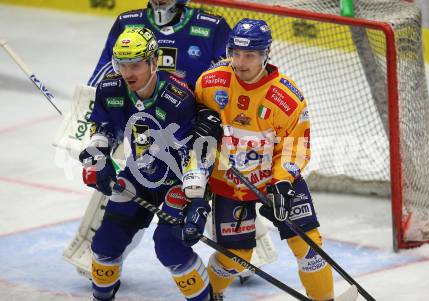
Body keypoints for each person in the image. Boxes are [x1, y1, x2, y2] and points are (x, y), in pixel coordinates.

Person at [190, 18, 335, 300]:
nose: (241, 63)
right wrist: (198, 121)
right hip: (229, 184)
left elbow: (296, 146)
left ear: (265, 54)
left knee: (309, 246)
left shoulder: (286, 97)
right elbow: (190, 129)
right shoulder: (210, 83)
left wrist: (282, 182)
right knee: (235, 257)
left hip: (275, 181)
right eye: (236, 53)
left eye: (250, 56)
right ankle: (210, 296)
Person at [80, 26, 222, 301]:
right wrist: (99, 155)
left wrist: (196, 197)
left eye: (135, 64)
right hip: (140, 173)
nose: (128, 72)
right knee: (105, 243)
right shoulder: (110, 87)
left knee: (169, 245)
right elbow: (105, 127)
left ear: (153, 61)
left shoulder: (176, 98)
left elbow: (196, 151)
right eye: (122, 64)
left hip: (178, 180)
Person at [88, 0, 231, 89]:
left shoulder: (213, 27)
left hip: (191, 116)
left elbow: (230, 76)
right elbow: (104, 75)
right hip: (136, 110)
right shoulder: (127, 23)